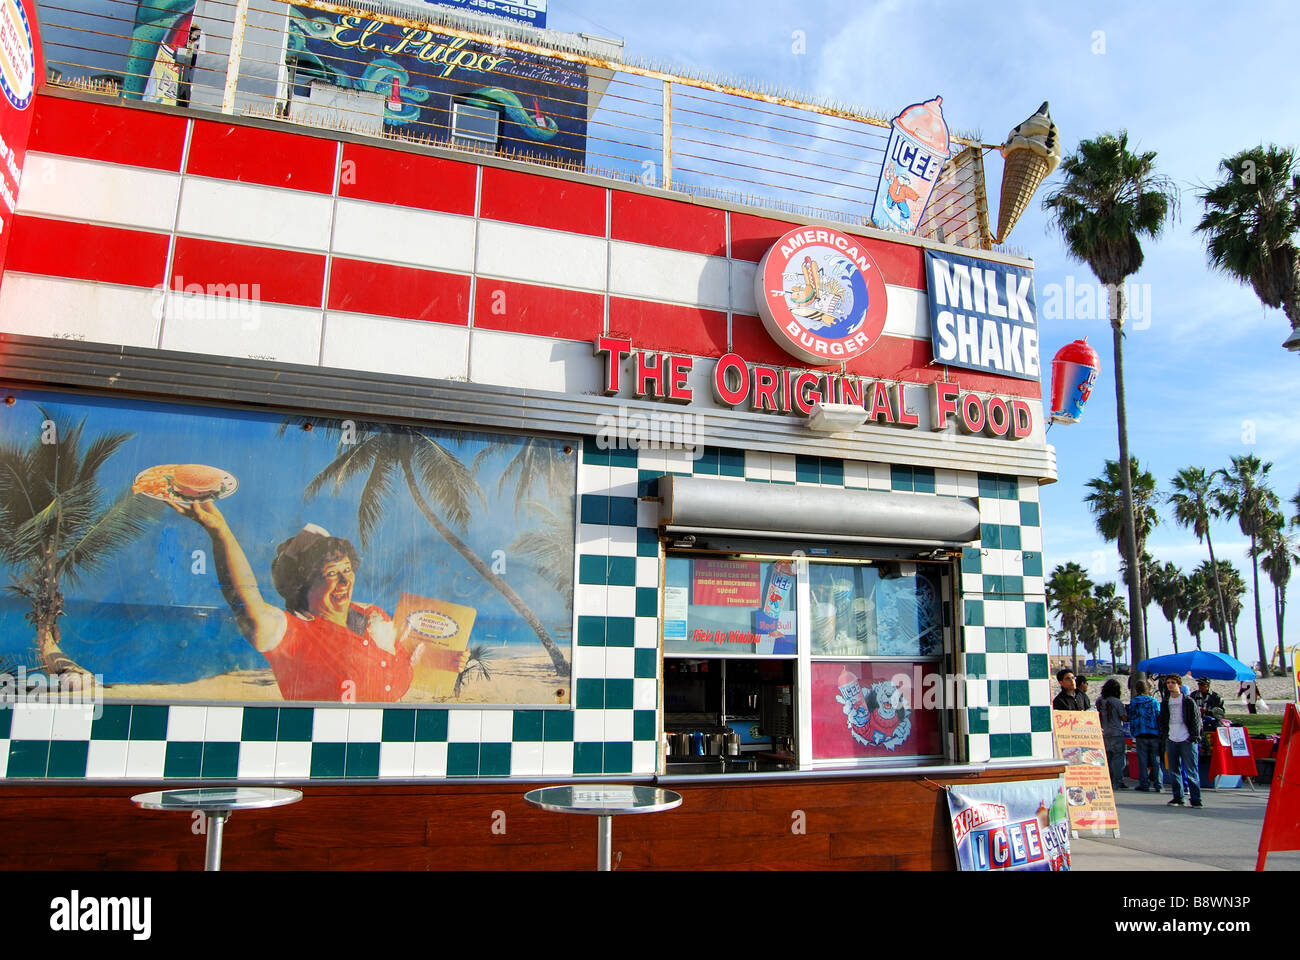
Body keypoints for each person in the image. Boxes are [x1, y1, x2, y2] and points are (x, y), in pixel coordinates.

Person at [173, 498, 464, 702]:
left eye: (348, 570)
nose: (345, 580)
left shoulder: (372, 615)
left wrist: (445, 660)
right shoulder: (293, 634)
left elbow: (403, 656)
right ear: (304, 584)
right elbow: (247, 602)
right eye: (332, 573)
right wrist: (220, 533)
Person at [1159, 674, 1204, 808]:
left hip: (1186, 739)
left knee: (1191, 771)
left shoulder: (1188, 701)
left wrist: (1194, 737)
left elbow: (1196, 720)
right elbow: (1162, 720)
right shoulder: (1166, 702)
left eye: (1173, 682)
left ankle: (1196, 799)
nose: (1170, 685)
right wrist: (1165, 736)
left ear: (1179, 685)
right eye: (1168, 683)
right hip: (1172, 738)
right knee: (1173, 770)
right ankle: (1178, 797)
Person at [1127, 679, 1163, 791]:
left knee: (1142, 760)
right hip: (1153, 733)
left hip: (1140, 733)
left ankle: (1144, 783)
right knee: (1155, 760)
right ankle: (1158, 784)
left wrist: (1133, 732)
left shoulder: (1134, 702)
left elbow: (1131, 718)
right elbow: (1158, 717)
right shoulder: (1154, 701)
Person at [1097, 678, 1128, 789]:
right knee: (1118, 758)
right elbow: (1124, 717)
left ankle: (1108, 779)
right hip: (1116, 732)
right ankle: (1118, 781)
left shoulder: (1099, 700)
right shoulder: (1116, 702)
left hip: (1103, 732)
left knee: (1107, 759)